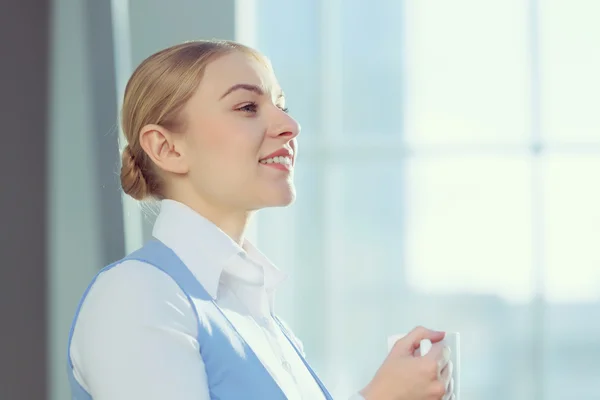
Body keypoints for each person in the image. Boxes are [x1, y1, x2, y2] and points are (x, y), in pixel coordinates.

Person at [67, 40, 454, 400]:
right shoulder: (138, 293)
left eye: (281, 105)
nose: (290, 126)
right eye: (247, 107)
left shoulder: (264, 321)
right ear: (167, 148)